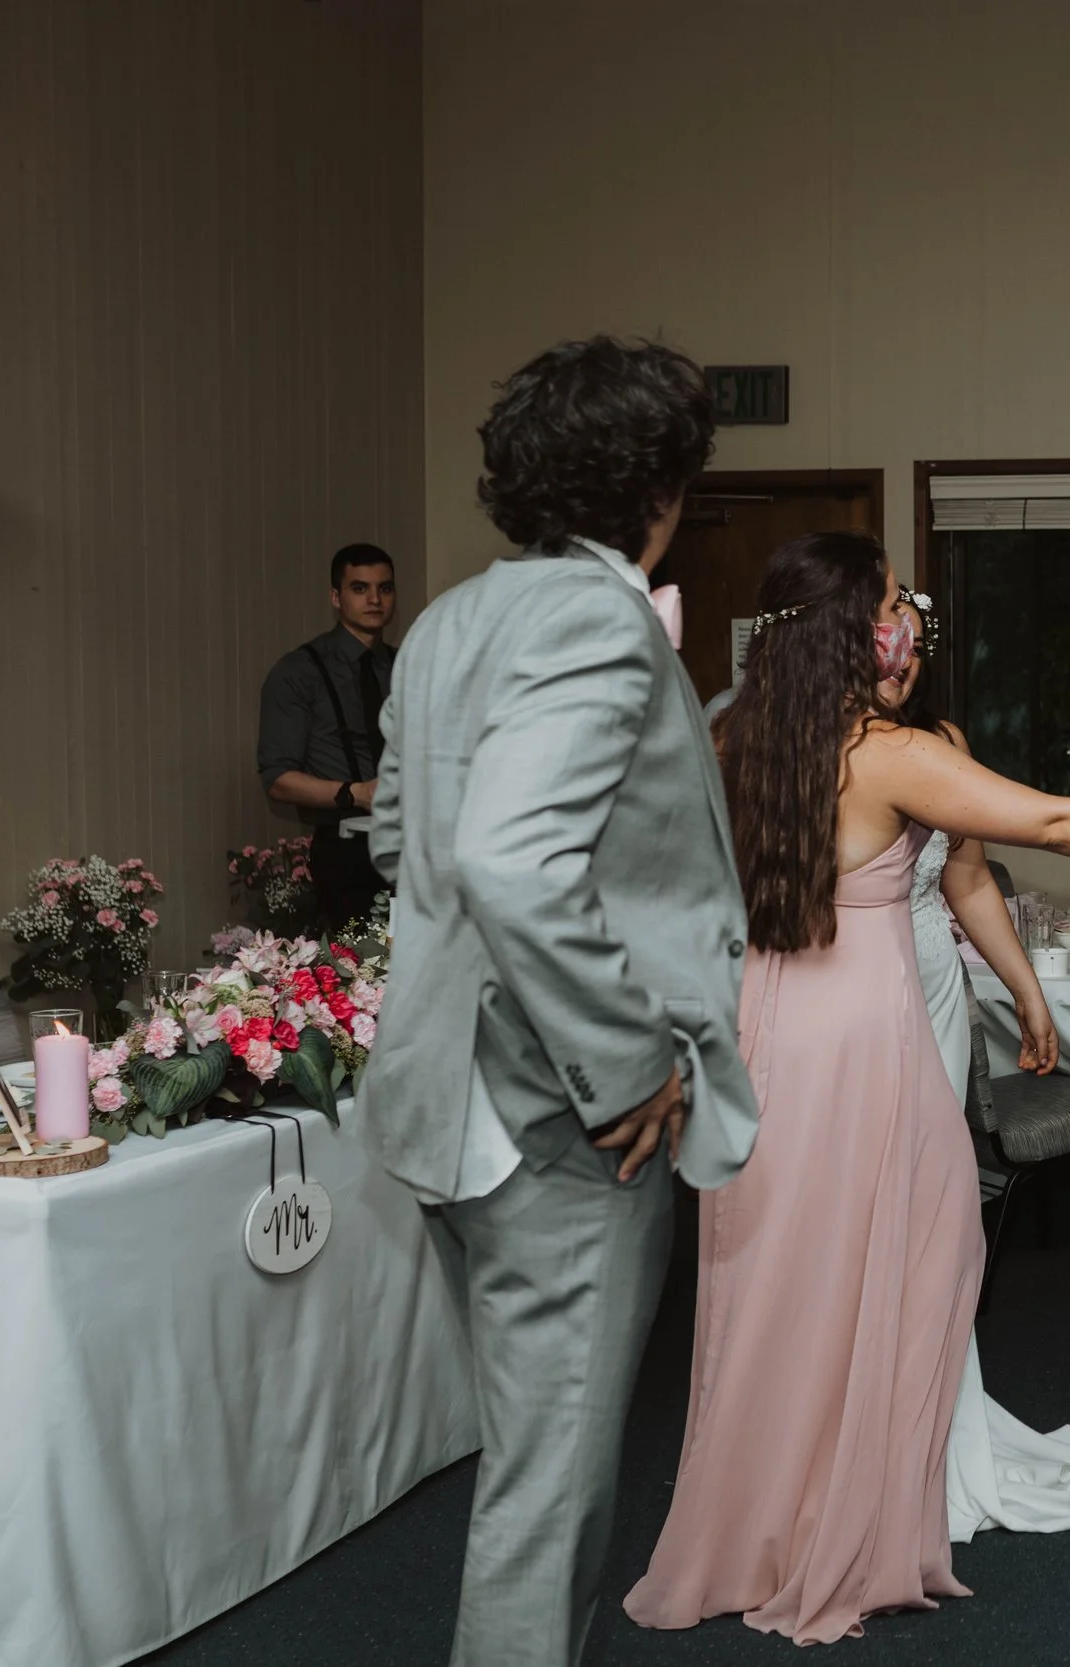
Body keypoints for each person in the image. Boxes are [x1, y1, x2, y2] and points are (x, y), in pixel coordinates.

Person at [624, 530, 1070, 1644]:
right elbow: (1051, 815)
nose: (910, 624)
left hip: (760, 1032)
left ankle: (767, 1519)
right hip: (861, 1041)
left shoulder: (731, 736)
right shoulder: (881, 753)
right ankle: (844, 1521)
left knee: (776, 1278)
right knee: (920, 1249)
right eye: (892, 606)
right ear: (850, 630)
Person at [358, 337, 759, 1667]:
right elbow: (509, 859)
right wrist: (629, 1059)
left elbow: (401, 842)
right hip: (560, 1121)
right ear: (662, 486)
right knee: (547, 1494)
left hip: (449, 1101)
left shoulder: (445, 622)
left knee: (528, 1465)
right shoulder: (598, 617)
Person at [874, 587, 1070, 1538]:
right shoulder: (812, 744)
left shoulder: (939, 741)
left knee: (932, 1215)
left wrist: (1026, 990)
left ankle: (930, 1424)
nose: (901, 660)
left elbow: (968, 874)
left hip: (937, 992)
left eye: (913, 644)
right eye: (885, 640)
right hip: (852, 996)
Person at [256, 543, 397, 926]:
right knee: (361, 958)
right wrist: (358, 792)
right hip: (346, 848)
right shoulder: (299, 672)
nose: (374, 599)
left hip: (416, 845)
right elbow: (278, 779)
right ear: (336, 597)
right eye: (359, 588)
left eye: (384, 588)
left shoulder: (409, 667)